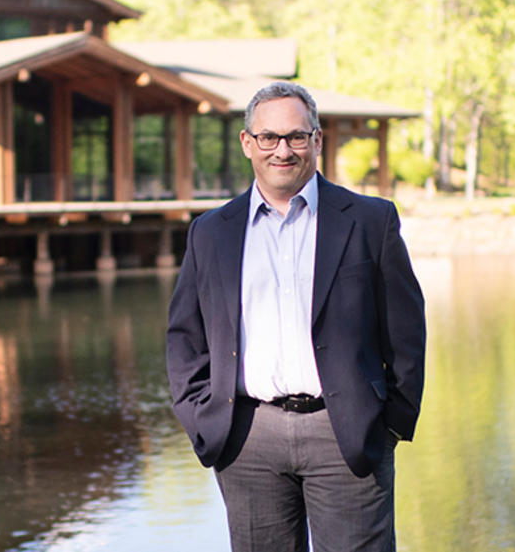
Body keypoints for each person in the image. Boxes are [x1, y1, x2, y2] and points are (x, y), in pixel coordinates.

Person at [165, 80, 426, 552]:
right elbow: (185, 338)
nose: (282, 150)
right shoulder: (211, 232)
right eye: (268, 137)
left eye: (296, 137)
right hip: (247, 439)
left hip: (346, 433)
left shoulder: (370, 221)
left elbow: (406, 331)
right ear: (248, 143)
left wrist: (388, 424)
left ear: (317, 140)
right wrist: (203, 420)